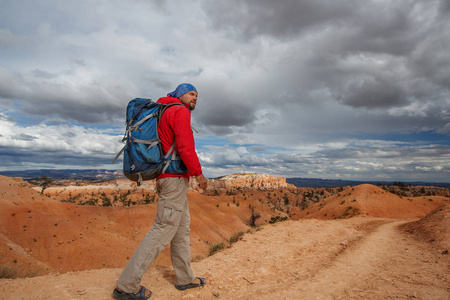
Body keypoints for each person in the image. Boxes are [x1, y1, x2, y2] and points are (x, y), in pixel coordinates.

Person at [113, 83, 208, 299]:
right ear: (180, 95)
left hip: (169, 178)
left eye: (197, 95)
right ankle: (126, 286)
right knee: (162, 229)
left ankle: (184, 278)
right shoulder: (179, 111)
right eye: (191, 93)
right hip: (173, 179)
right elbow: (184, 146)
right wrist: (198, 173)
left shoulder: (164, 110)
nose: (195, 98)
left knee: (181, 230)